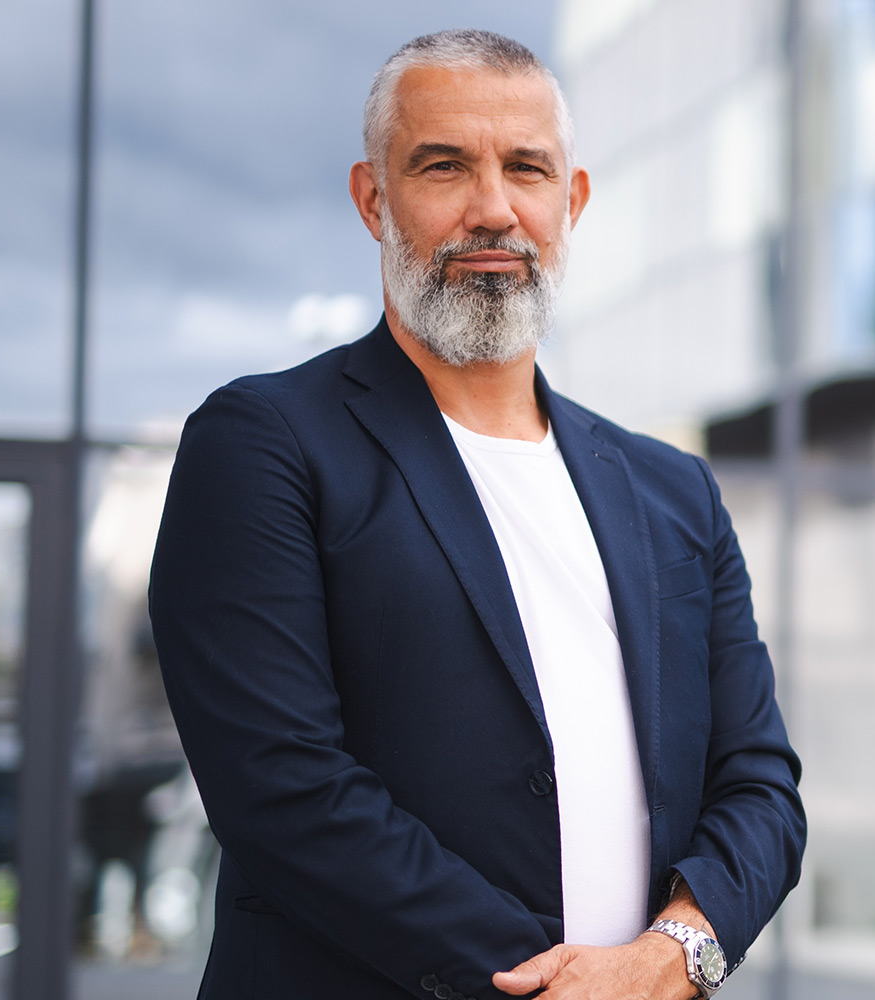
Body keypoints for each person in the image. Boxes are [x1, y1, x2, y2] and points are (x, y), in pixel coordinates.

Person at [148, 28, 805, 1000]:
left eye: (526, 169)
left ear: (571, 201)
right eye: (444, 165)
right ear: (373, 198)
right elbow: (285, 789)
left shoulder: (674, 493)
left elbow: (759, 787)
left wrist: (671, 959)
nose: (493, 209)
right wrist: (556, 990)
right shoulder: (263, 445)